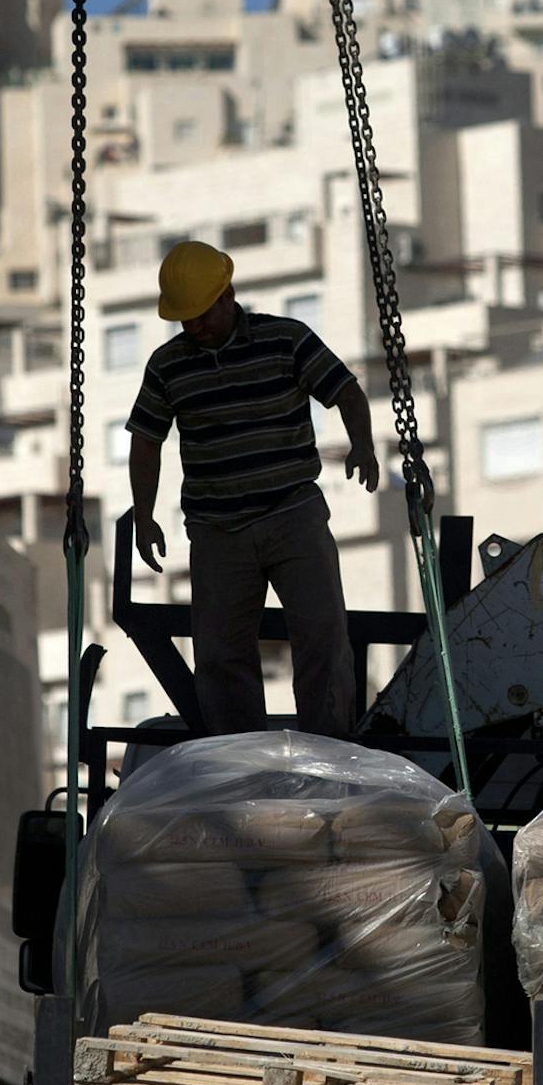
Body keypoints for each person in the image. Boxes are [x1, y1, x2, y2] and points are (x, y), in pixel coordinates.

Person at [125, 240, 379, 737]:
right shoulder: (167, 365)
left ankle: (328, 747)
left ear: (228, 295)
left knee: (323, 635)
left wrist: (363, 447)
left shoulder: (285, 340)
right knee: (220, 654)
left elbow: (345, 390)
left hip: (293, 515)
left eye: (201, 314)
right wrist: (143, 513)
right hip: (218, 530)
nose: (195, 326)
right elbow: (145, 441)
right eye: (185, 319)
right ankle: (241, 757)